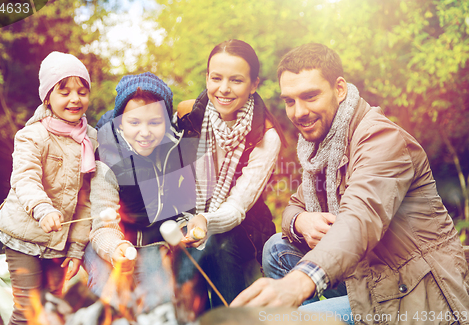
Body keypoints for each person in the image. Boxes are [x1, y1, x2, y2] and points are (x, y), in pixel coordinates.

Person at [231, 43, 469, 324]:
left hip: (415, 291)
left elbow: (358, 219)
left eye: (310, 96)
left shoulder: (381, 139)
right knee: (276, 249)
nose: (298, 112)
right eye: (290, 101)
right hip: (367, 274)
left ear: (340, 89)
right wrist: (300, 221)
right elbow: (295, 205)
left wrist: (298, 283)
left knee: (285, 320)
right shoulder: (323, 146)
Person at [176, 39, 286, 307]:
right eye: (216, 78)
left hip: (243, 228)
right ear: (207, 77)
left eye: (236, 80)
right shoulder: (189, 114)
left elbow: (237, 207)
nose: (223, 89)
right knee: (181, 267)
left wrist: (204, 221)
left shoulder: (266, 137)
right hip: (190, 215)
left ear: (253, 84)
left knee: (219, 246)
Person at [83, 72, 201, 315]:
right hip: (110, 243)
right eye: (134, 123)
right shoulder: (107, 158)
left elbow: (186, 207)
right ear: (120, 123)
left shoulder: (176, 150)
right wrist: (115, 248)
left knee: (160, 301)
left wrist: (188, 227)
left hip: (153, 243)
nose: (145, 132)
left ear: (167, 123)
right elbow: (102, 224)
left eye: (154, 123)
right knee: (109, 296)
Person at [0, 51, 97, 325]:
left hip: (59, 244)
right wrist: (42, 208)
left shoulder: (90, 139)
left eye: (82, 91)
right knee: (27, 311)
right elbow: (24, 178)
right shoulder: (32, 135)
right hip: (25, 236)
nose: (75, 99)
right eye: (64, 92)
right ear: (47, 98)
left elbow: (85, 199)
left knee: (52, 310)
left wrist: (76, 247)